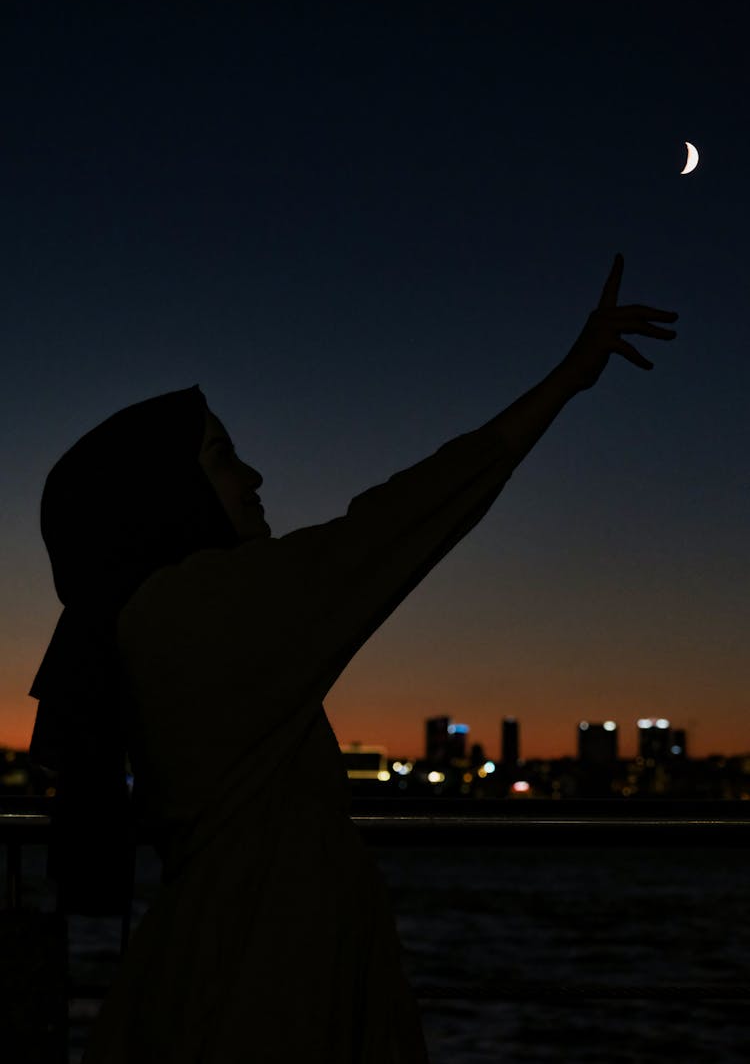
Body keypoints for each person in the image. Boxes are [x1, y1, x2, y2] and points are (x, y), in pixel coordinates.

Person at [29, 254, 676, 1062]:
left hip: (221, 959)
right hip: (264, 980)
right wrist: (566, 379)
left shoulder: (149, 618)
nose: (253, 473)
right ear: (167, 494)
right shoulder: (206, 606)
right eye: (223, 456)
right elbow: (407, 515)